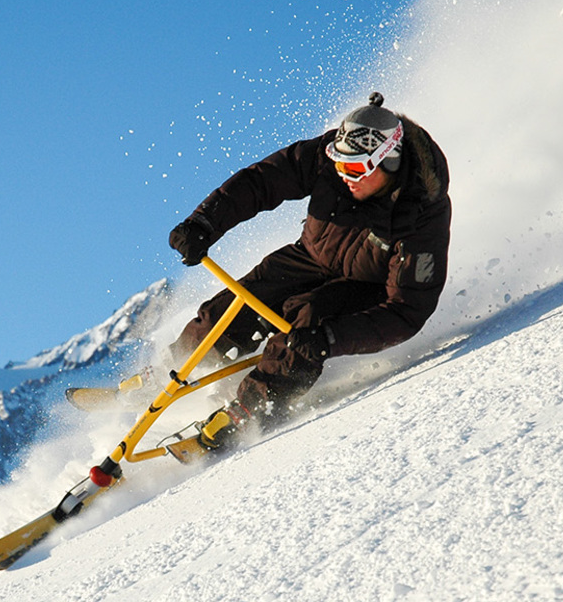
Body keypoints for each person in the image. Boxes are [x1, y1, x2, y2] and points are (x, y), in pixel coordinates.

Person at [166, 92, 451, 451]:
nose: (345, 175)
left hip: (366, 286)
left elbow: (408, 309)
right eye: (341, 165)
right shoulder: (330, 157)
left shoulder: (421, 212)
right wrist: (205, 222)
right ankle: (170, 370)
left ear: (389, 162)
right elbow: (263, 181)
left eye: (357, 169)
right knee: (236, 306)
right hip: (310, 256)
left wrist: (330, 339)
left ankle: (253, 408)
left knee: (307, 321)